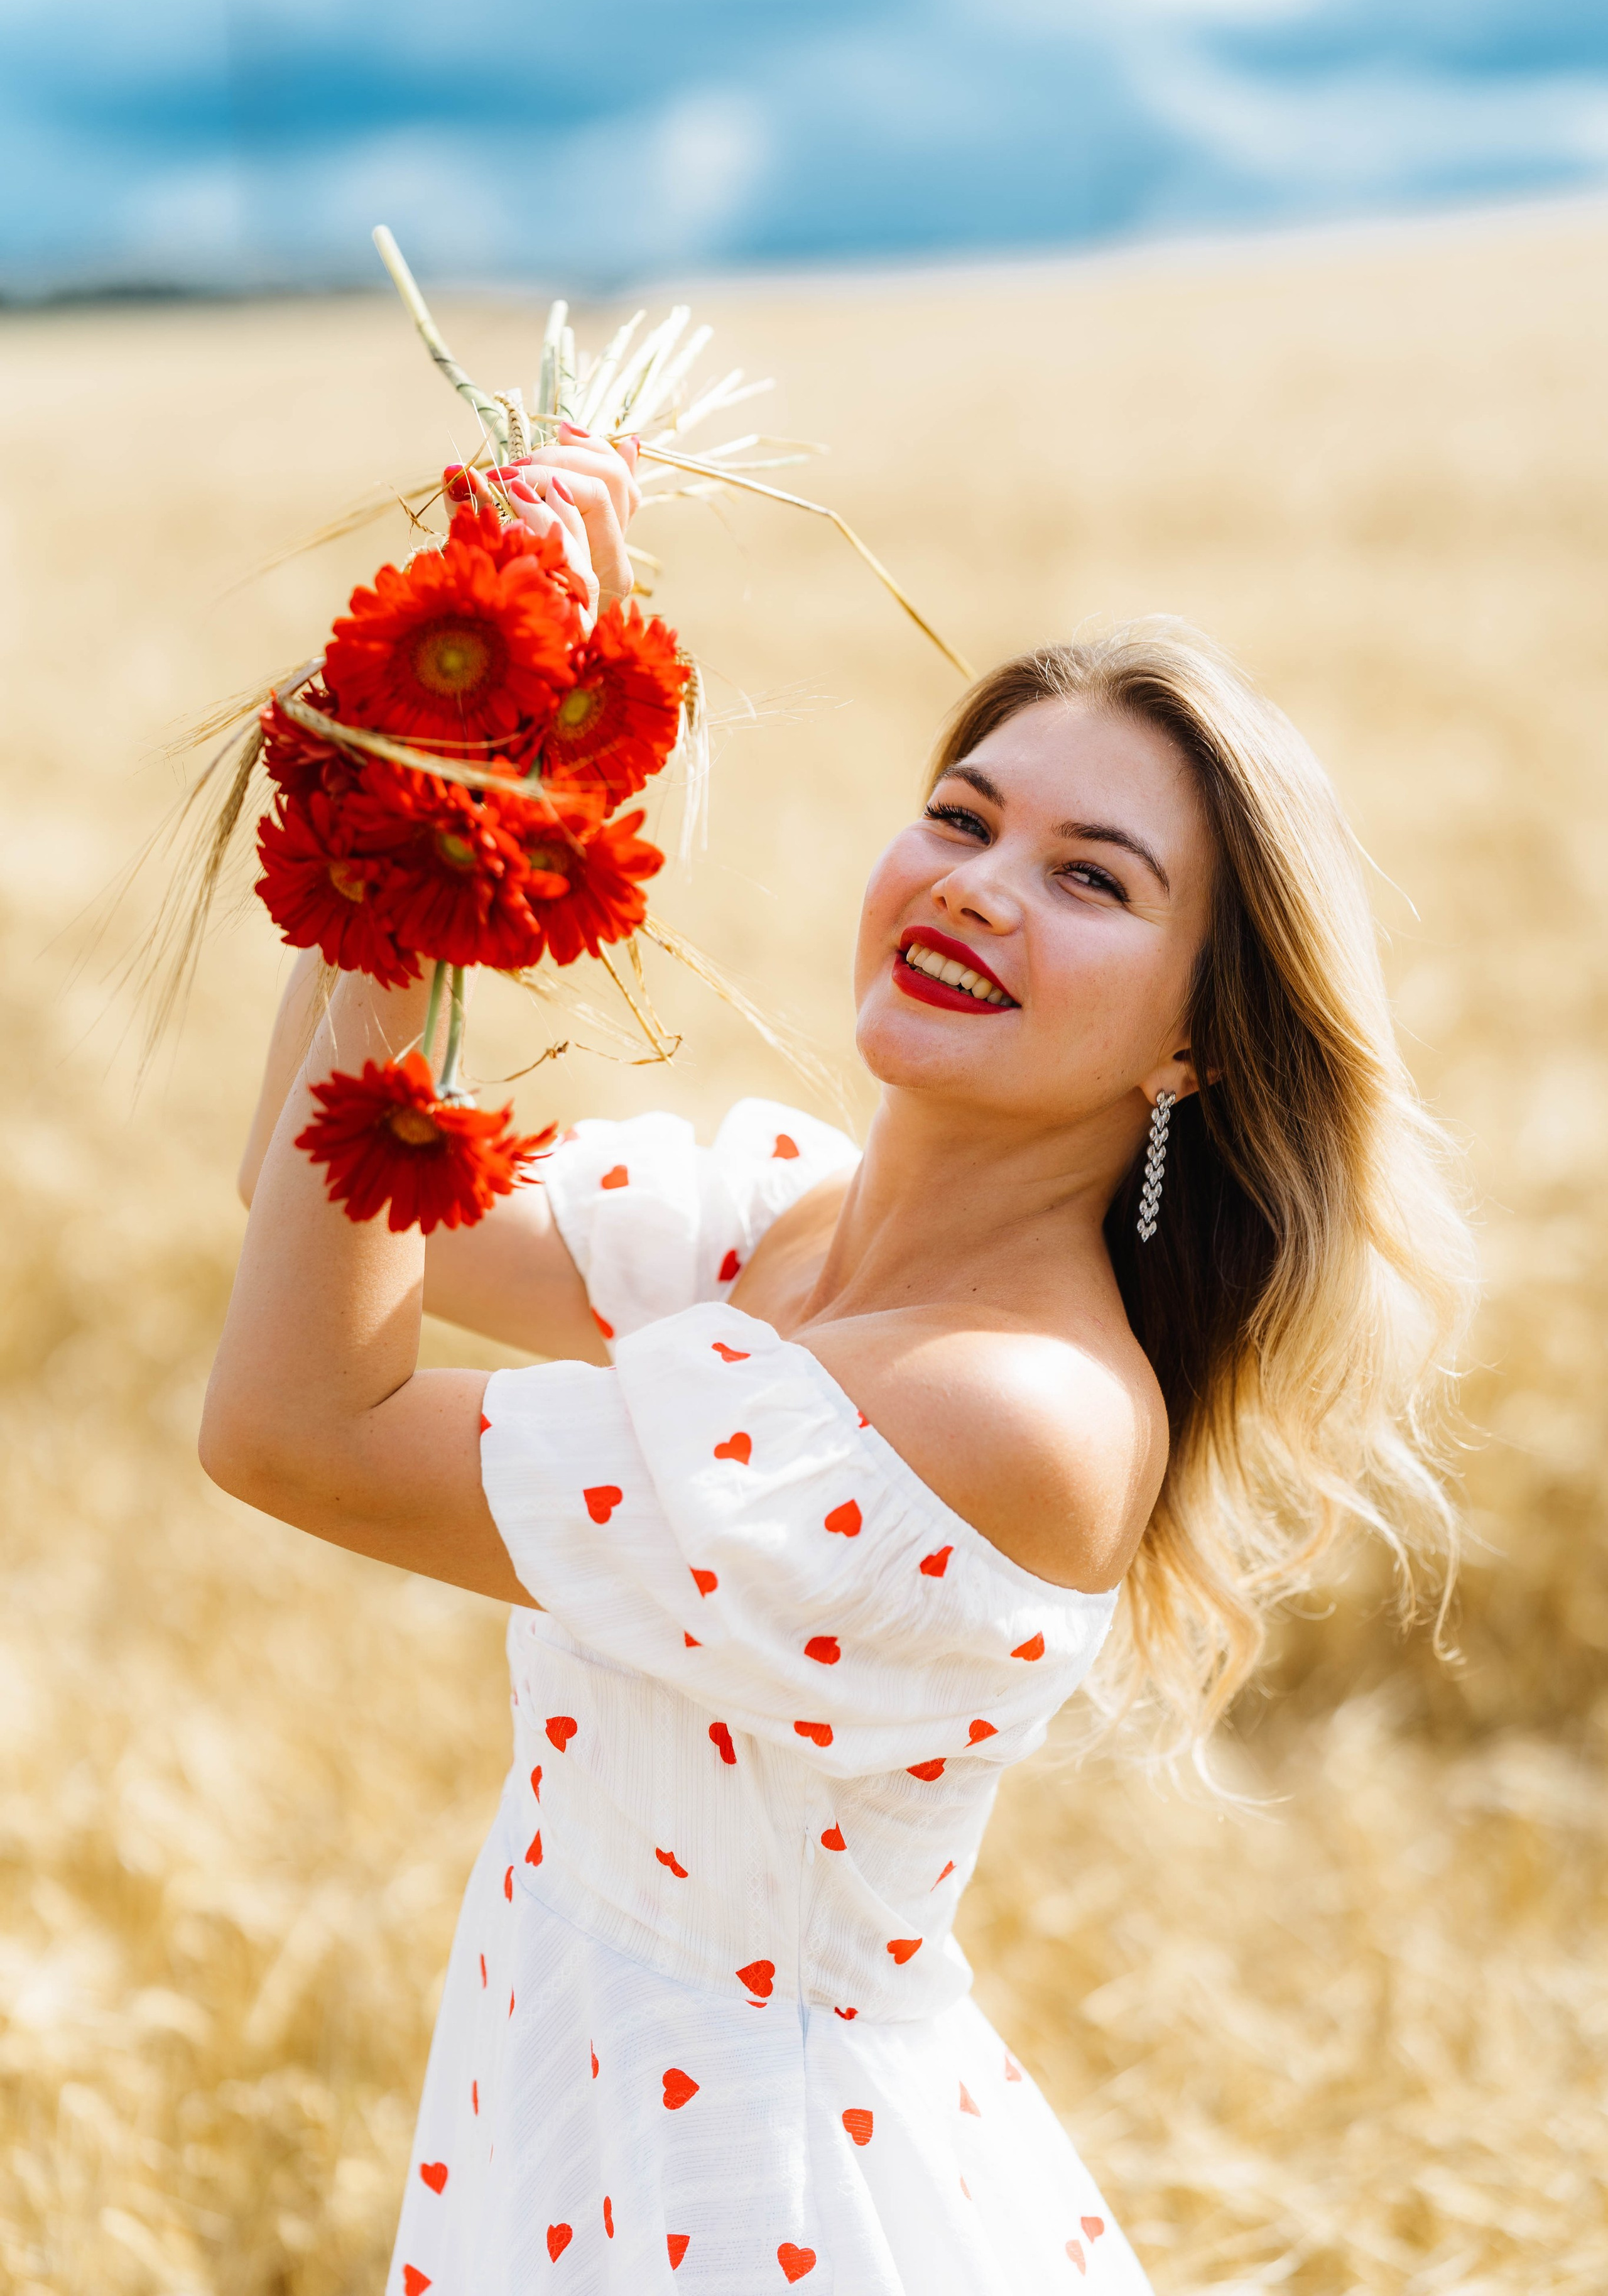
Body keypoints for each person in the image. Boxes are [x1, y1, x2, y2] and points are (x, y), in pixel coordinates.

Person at [206, 433, 1472, 2293]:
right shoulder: (770, 1225)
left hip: (756, 2198)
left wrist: (429, 851)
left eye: (1092, 880)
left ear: (1193, 1047)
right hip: (561, 2088)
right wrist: (431, 733)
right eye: (961, 820)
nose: (976, 885)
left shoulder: (1010, 1412)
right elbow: (312, 1186)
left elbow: (301, 1429)